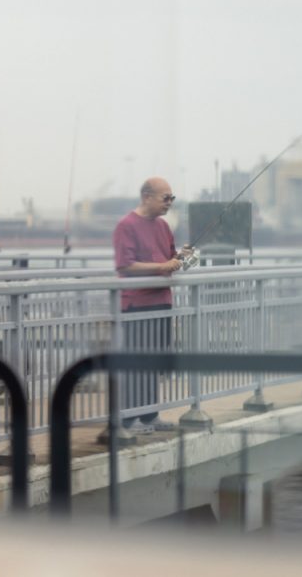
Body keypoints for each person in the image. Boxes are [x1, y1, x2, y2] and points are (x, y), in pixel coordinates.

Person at [112, 176, 188, 431]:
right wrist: (162, 266)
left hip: (162, 301)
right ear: (147, 196)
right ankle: (129, 418)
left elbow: (169, 259)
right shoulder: (126, 225)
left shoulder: (164, 227)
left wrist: (182, 258)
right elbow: (125, 265)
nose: (169, 203)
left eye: (172, 198)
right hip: (136, 304)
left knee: (154, 361)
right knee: (137, 362)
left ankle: (149, 415)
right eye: (165, 198)